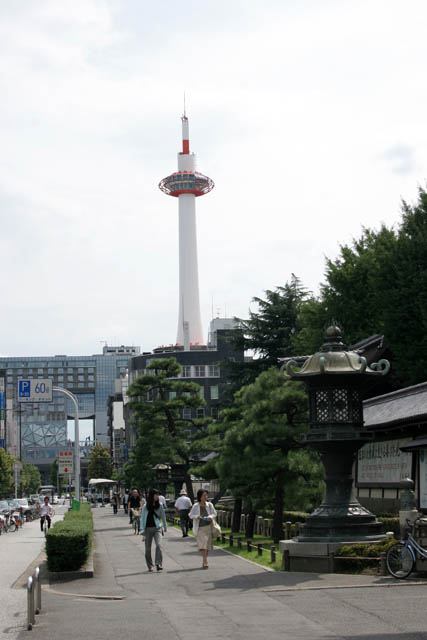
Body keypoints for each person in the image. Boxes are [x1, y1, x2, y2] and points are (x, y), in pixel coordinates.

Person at [140, 488, 167, 572]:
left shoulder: (160, 505)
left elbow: (163, 516)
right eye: (156, 494)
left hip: (157, 528)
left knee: (159, 545)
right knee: (148, 549)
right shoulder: (145, 506)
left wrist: (165, 526)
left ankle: (158, 564)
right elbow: (142, 518)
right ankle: (150, 565)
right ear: (152, 495)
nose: (157, 496)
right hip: (147, 529)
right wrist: (142, 529)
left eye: (157, 494)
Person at [189, 490, 217, 569]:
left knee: (207, 546)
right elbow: (190, 515)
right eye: (204, 495)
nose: (205, 497)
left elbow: (214, 513)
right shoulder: (195, 506)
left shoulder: (210, 505)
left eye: (206, 495)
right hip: (200, 528)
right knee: (203, 545)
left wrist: (210, 517)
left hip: (208, 527)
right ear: (200, 497)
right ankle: (205, 561)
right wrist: (197, 516)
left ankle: (205, 560)